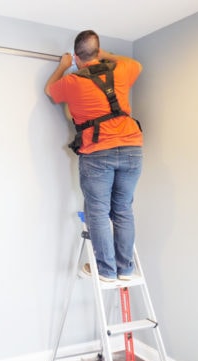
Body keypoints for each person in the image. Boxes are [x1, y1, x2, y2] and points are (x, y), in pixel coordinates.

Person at [44, 30, 143, 282]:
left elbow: (49, 90)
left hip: (98, 151)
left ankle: (106, 271)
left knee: (98, 211)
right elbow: (136, 65)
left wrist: (63, 66)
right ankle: (125, 269)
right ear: (98, 53)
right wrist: (104, 54)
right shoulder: (121, 70)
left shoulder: (72, 81)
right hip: (132, 149)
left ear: (77, 58)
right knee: (122, 209)